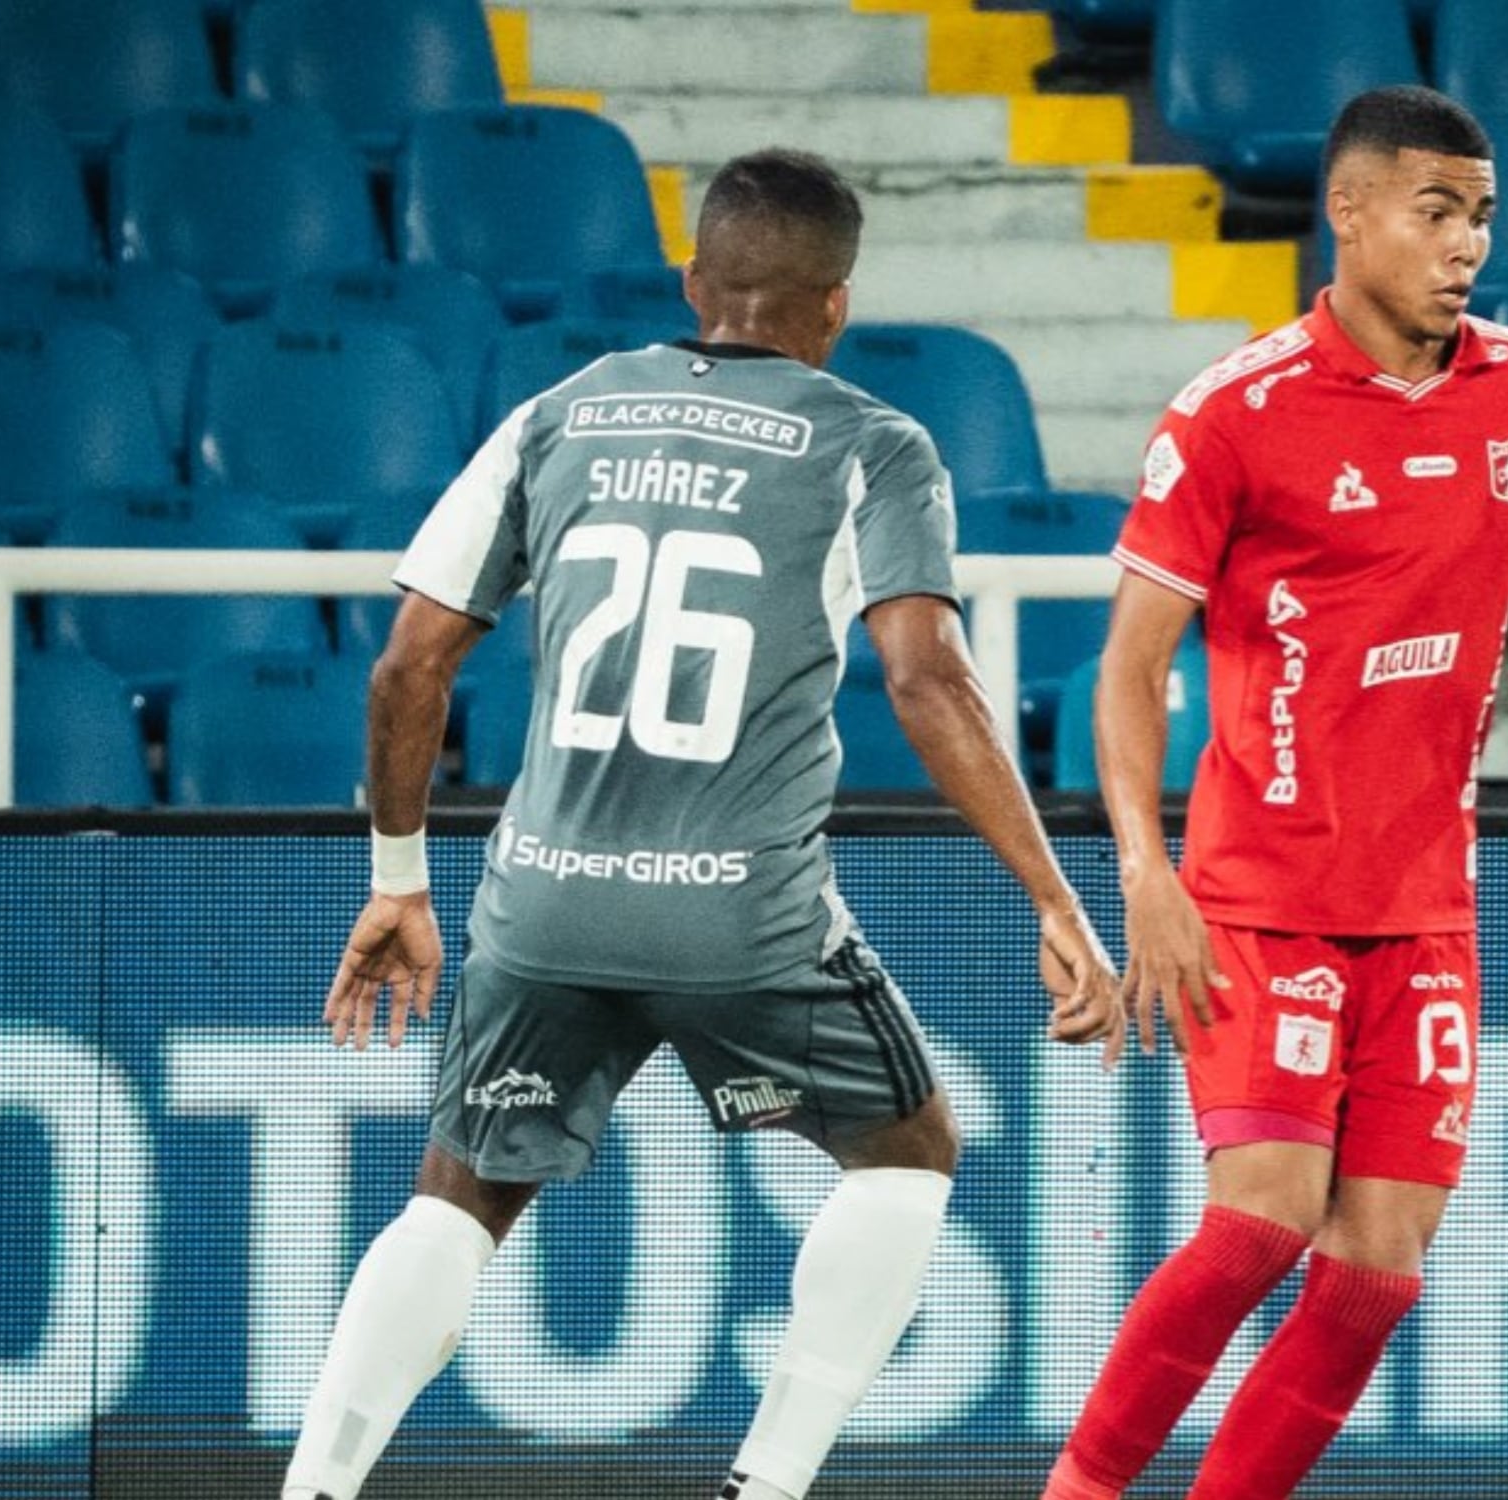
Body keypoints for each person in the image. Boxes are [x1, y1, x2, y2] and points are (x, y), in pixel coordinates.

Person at [282, 147, 1121, 1500]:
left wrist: (397, 881)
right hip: (743, 916)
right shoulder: (876, 443)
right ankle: (767, 1484)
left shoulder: (557, 414)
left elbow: (406, 666)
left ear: (693, 280)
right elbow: (925, 677)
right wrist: (1053, 897)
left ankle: (315, 1486)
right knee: (910, 1155)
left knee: (462, 1191)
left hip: (541, 899)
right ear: (837, 306)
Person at [1041, 86, 1508, 1499]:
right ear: (1348, 212)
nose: (1466, 244)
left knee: (1374, 1276)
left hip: (1428, 907)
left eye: (1481, 215)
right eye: (1436, 211)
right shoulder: (1235, 414)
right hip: (1259, 895)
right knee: (1259, 1228)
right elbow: (1128, 669)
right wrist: (1145, 872)